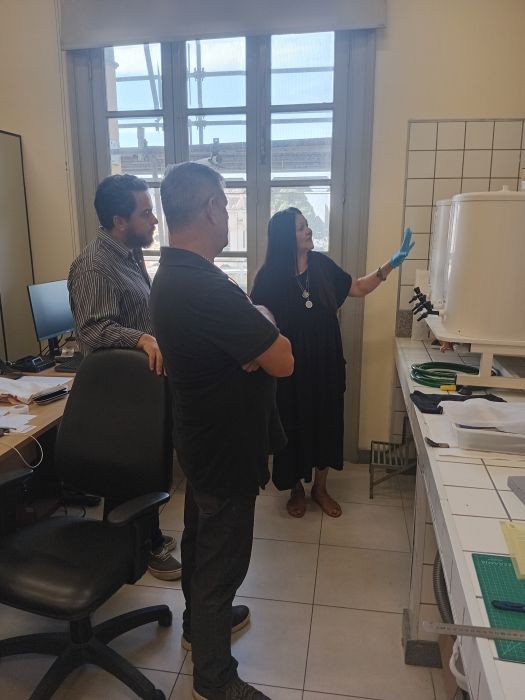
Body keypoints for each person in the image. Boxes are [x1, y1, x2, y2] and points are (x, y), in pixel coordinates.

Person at [150, 162, 293, 700]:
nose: (229, 213)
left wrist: (258, 323)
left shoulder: (178, 274)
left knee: (201, 541)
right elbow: (282, 358)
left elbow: (260, 325)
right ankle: (214, 679)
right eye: (226, 204)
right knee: (221, 561)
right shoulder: (203, 286)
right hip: (225, 446)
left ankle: (198, 627)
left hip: (203, 439)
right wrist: (262, 332)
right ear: (210, 208)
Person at [250, 207, 414, 518]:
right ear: (286, 237)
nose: (308, 231)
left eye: (307, 225)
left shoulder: (322, 266)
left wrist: (389, 266)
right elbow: (256, 318)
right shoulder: (269, 278)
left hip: (326, 363)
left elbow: (358, 287)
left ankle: (320, 488)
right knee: (292, 425)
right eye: (301, 228)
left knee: (326, 423)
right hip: (289, 368)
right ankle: (296, 489)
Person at [67, 173, 181, 581]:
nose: (154, 220)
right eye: (145, 213)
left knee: (145, 471)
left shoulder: (130, 254)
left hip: (141, 389)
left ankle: (146, 540)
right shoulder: (94, 267)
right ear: (120, 221)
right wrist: (142, 338)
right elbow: (93, 330)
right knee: (128, 473)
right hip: (118, 395)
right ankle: (135, 550)